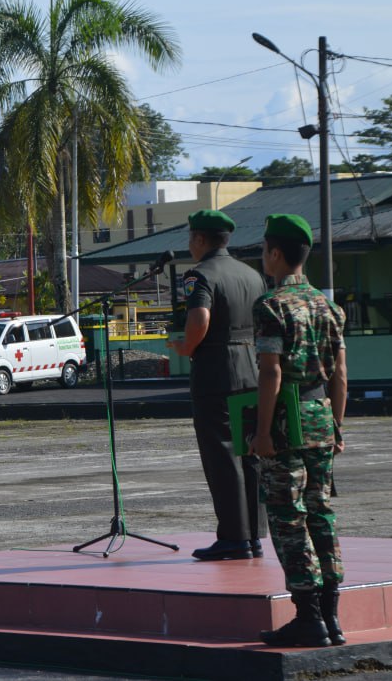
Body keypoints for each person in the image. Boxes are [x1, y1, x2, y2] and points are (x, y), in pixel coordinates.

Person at [252, 214, 348, 648]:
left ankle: (308, 616)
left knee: (288, 518)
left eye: (264, 251)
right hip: (321, 416)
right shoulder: (330, 306)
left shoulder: (271, 306)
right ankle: (332, 618)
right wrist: (337, 426)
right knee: (321, 513)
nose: (263, 259)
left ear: (275, 253)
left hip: (287, 421)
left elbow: (270, 373)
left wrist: (263, 431)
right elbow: (341, 375)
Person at [169, 209, 267, 562]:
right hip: (252, 365)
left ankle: (233, 537)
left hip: (216, 369)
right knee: (250, 453)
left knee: (221, 454)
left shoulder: (199, 274)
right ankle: (254, 536)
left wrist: (187, 347)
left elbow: (200, 318)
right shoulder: (252, 275)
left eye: (191, 239)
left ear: (199, 239)